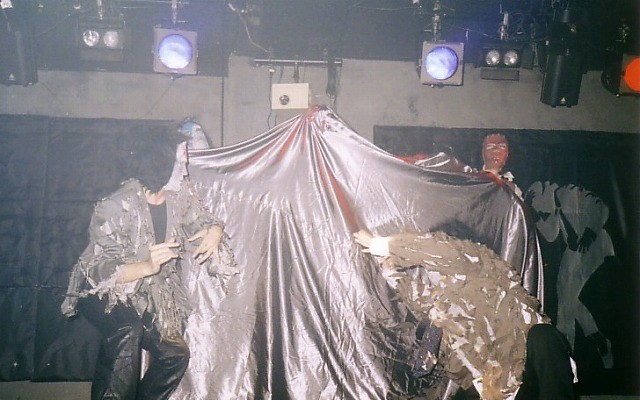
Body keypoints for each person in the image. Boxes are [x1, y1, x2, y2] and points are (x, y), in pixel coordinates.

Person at [61, 131, 231, 400]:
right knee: (127, 329)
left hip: (144, 294)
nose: (185, 169)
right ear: (159, 164)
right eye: (180, 162)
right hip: (101, 291)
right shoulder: (115, 205)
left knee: (175, 354)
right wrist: (147, 266)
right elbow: (98, 269)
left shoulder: (179, 197)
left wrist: (214, 231)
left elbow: (202, 220)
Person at [353, 229, 576, 400]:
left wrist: (382, 244)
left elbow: (443, 251)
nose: (436, 274)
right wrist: (389, 270)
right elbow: (420, 298)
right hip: (499, 391)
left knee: (543, 336)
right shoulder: (445, 307)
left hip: (532, 376)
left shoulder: (484, 271)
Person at [480, 133, 522, 199]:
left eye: (502, 147)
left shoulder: (512, 188)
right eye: (490, 146)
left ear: (507, 154)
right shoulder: (472, 181)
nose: (496, 150)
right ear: (483, 153)